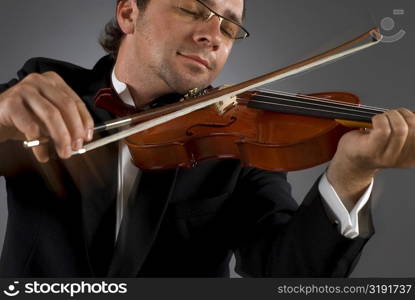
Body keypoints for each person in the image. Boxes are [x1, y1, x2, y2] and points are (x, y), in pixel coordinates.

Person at [0, 0, 414, 278]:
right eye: (192, 9)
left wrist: (350, 175)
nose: (213, 35)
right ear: (128, 14)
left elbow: (283, 271)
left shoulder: (238, 140)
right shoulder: (46, 87)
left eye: (230, 27)